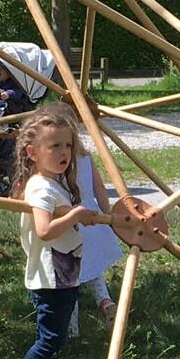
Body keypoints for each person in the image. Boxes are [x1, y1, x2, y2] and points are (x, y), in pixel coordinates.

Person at [8, 109, 111, 359]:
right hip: (50, 277)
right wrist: (77, 215)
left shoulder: (57, 182)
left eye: (67, 145)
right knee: (51, 339)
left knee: (52, 337)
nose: (63, 152)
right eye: (54, 146)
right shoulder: (41, 187)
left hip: (64, 274)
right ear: (33, 152)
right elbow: (44, 230)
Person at [45, 101, 122, 331]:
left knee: (70, 278)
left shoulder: (56, 161)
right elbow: (100, 189)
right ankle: (105, 301)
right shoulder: (85, 156)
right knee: (93, 269)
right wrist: (107, 217)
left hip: (71, 221)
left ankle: (71, 329)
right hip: (92, 218)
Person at [0, 41, 59, 192]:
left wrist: (7, 95)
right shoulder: (4, 82)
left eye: (2, 70)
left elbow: (17, 94)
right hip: (4, 109)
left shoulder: (17, 86)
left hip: (11, 110)